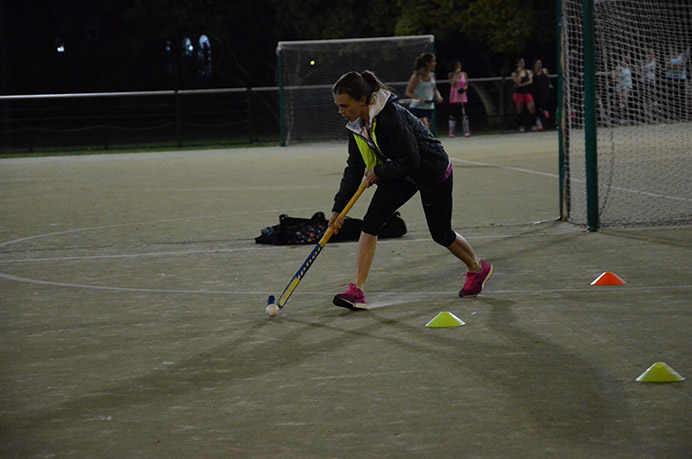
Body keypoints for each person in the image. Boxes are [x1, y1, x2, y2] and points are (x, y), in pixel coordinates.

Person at [329, 70, 493, 310]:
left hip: (431, 170)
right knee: (371, 221)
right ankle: (357, 291)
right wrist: (338, 210)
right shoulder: (355, 126)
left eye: (344, 105)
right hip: (400, 172)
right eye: (338, 106)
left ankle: (478, 268)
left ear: (362, 100)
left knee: (441, 234)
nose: (341, 111)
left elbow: (412, 160)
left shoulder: (389, 117)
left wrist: (379, 172)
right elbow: (354, 168)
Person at [405, 53, 443, 130]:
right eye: (433, 61)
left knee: (426, 131)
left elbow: (434, 89)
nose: (435, 63)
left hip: (429, 108)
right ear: (427, 63)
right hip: (417, 108)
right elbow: (408, 92)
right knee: (424, 128)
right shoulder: (416, 76)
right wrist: (418, 98)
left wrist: (438, 97)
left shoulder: (432, 75)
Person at [512, 58, 540, 132]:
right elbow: (517, 82)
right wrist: (520, 74)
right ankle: (520, 126)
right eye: (520, 62)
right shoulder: (515, 73)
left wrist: (521, 85)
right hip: (518, 93)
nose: (522, 64)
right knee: (519, 110)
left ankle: (533, 125)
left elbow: (530, 81)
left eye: (523, 62)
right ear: (517, 64)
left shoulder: (528, 72)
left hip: (527, 92)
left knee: (532, 108)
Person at [448, 60, 471, 137]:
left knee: (464, 114)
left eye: (460, 66)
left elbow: (466, 84)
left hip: (462, 96)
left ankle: (466, 130)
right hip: (454, 96)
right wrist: (456, 75)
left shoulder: (464, 74)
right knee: (453, 114)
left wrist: (464, 89)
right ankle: (451, 131)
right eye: (457, 66)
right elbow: (453, 84)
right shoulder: (451, 75)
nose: (459, 68)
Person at [531, 59, 552, 124]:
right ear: (534, 65)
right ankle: (538, 121)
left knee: (543, 103)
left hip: (544, 90)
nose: (539, 65)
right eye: (537, 63)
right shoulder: (531, 72)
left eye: (540, 63)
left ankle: (545, 115)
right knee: (537, 106)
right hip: (536, 90)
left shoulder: (544, 70)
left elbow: (548, 79)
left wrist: (550, 84)